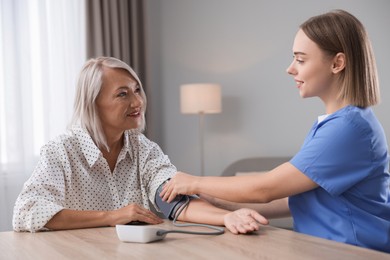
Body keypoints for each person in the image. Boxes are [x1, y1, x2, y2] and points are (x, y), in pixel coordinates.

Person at [160, 10, 390, 253]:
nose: (290, 69)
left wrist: (195, 183)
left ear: (337, 63)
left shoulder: (348, 129)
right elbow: (295, 201)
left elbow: (265, 189)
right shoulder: (336, 123)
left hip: (354, 252)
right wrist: (215, 200)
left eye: (300, 60)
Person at [12, 56, 267, 234]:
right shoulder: (61, 152)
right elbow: (27, 212)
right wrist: (112, 217)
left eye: (137, 90)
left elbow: (173, 200)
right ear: (93, 104)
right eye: (123, 94)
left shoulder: (143, 148)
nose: (138, 102)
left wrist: (226, 217)